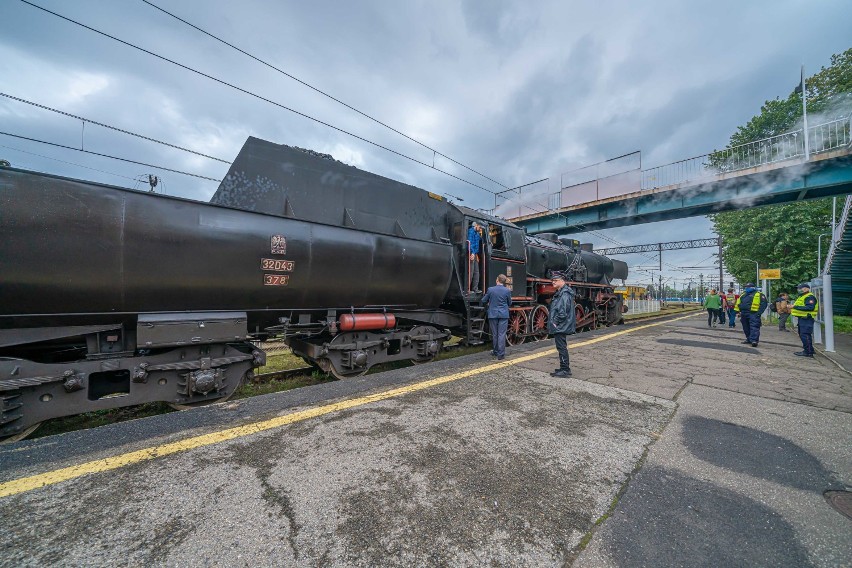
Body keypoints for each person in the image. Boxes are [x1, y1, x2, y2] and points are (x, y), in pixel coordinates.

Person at [548, 271, 576, 377]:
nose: (553, 282)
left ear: (562, 280)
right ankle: (563, 367)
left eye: (555, 280)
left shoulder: (564, 294)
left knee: (561, 347)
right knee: (561, 346)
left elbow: (563, 312)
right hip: (561, 325)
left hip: (561, 325)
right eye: (552, 280)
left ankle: (565, 369)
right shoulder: (562, 292)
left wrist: (555, 322)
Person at [481, 274, 513, 360]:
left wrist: (489, 302)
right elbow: (510, 303)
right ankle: (501, 354)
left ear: (497, 280)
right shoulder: (507, 290)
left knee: (495, 334)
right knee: (501, 334)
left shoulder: (490, 290)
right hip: (503, 314)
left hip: (493, 314)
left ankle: (495, 351)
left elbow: (483, 300)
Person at [734, 283, 768, 347]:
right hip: (744, 313)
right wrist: (738, 312)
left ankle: (754, 340)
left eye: (747, 287)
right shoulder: (743, 295)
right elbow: (739, 303)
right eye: (746, 287)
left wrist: (758, 313)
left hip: (753, 313)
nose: (746, 288)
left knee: (754, 326)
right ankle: (749, 339)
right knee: (745, 327)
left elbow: (763, 304)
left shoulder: (759, 295)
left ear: (752, 287)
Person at [791, 282, 818, 357]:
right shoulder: (802, 296)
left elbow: (810, 307)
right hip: (803, 319)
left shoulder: (809, 297)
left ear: (806, 289)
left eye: (800, 288)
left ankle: (808, 352)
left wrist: (794, 307)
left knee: (805, 335)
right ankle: (809, 350)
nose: (798, 290)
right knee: (803, 334)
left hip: (807, 319)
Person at [467, 221, 482, 293]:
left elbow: (478, 241)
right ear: (476, 225)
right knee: (471, 271)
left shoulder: (477, 233)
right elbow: (470, 242)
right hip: (471, 253)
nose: (480, 228)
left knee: (476, 272)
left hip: (475, 254)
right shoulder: (471, 232)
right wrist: (472, 253)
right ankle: (467, 289)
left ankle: (475, 288)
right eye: (480, 227)